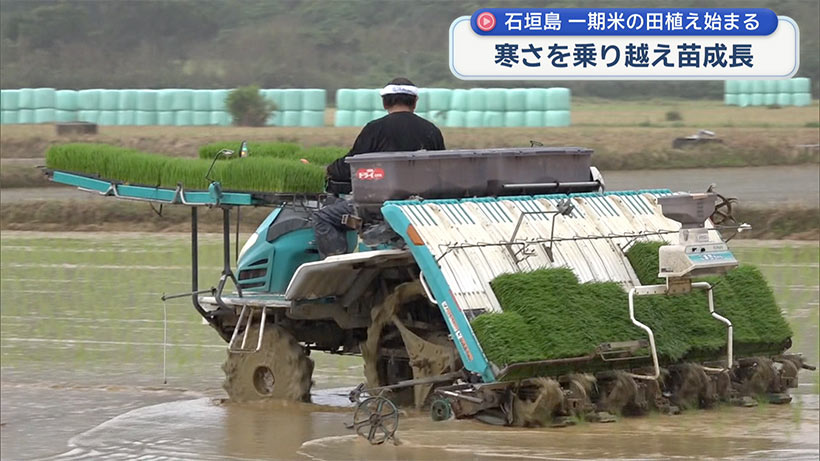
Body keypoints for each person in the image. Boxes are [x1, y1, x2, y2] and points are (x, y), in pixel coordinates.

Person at [313, 77, 446, 258]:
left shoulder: (375, 129)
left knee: (323, 217)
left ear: (385, 102)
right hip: (421, 204)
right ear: (415, 102)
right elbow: (441, 169)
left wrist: (328, 170)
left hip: (378, 205)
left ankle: (336, 268)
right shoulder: (432, 130)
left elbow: (351, 165)